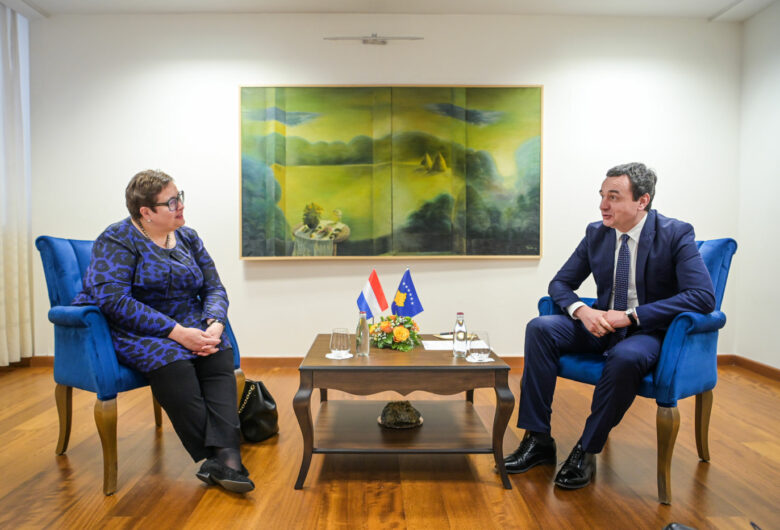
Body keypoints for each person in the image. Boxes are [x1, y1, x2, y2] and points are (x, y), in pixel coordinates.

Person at [503, 162, 715, 490]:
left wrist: (632, 316)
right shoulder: (597, 233)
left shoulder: (675, 234)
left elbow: (702, 296)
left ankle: (586, 450)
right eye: (602, 195)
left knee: (626, 357)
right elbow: (560, 283)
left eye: (613, 197)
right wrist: (583, 312)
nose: (603, 205)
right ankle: (538, 439)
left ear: (642, 201)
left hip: (648, 331)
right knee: (540, 328)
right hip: (602, 325)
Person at [72, 169, 253, 493]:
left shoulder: (188, 237)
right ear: (146, 212)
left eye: (179, 196)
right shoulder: (117, 238)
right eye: (171, 202)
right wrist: (176, 332)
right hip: (138, 327)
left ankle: (226, 460)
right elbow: (114, 300)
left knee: (217, 355)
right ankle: (223, 457)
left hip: (189, 320)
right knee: (174, 362)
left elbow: (213, 287)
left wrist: (215, 323)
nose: (180, 205)